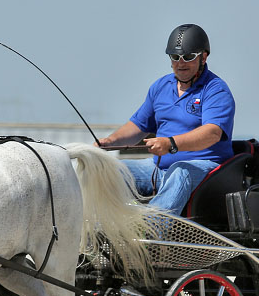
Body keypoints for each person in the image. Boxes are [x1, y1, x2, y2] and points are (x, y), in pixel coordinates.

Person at [98, 23, 236, 215]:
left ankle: (152, 234)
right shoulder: (161, 86)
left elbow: (212, 133)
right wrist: (109, 142)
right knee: (111, 170)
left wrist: (171, 144)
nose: (181, 63)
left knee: (180, 172)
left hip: (205, 169)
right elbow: (138, 126)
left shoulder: (216, 89)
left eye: (188, 57)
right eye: (175, 57)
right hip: (157, 167)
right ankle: (103, 230)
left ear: (203, 57)